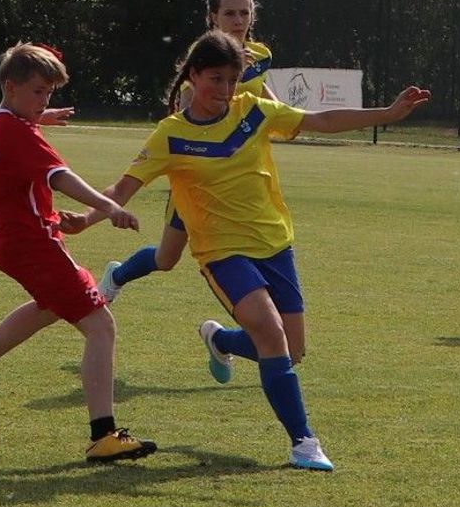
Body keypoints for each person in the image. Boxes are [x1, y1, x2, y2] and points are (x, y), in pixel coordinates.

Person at [88, 32, 429, 472]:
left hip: (274, 244)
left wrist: (388, 113)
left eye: (233, 80)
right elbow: (122, 188)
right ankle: (304, 442)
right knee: (270, 333)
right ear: (193, 76)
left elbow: (320, 120)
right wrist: (89, 216)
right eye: (216, 79)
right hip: (221, 252)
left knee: (291, 350)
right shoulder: (170, 135)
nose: (226, 90)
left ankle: (220, 339)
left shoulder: (254, 111)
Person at [0, 42, 157, 464]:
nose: (44, 101)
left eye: (49, 94)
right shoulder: (20, 133)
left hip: (4, 240)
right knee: (101, 325)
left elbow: (13, 136)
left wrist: (39, 116)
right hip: (33, 243)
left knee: (51, 307)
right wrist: (109, 207)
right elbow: (61, 177)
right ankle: (103, 435)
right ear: (11, 87)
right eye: (38, 92)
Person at [97, 0, 278, 305]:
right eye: (230, 13)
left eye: (245, 13)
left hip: (244, 176)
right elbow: (185, 117)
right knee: (166, 259)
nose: (238, 20)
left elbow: (267, 100)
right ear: (213, 17)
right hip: (201, 178)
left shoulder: (260, 56)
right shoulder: (204, 59)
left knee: (252, 252)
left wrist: (282, 115)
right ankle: (118, 275)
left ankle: (249, 327)